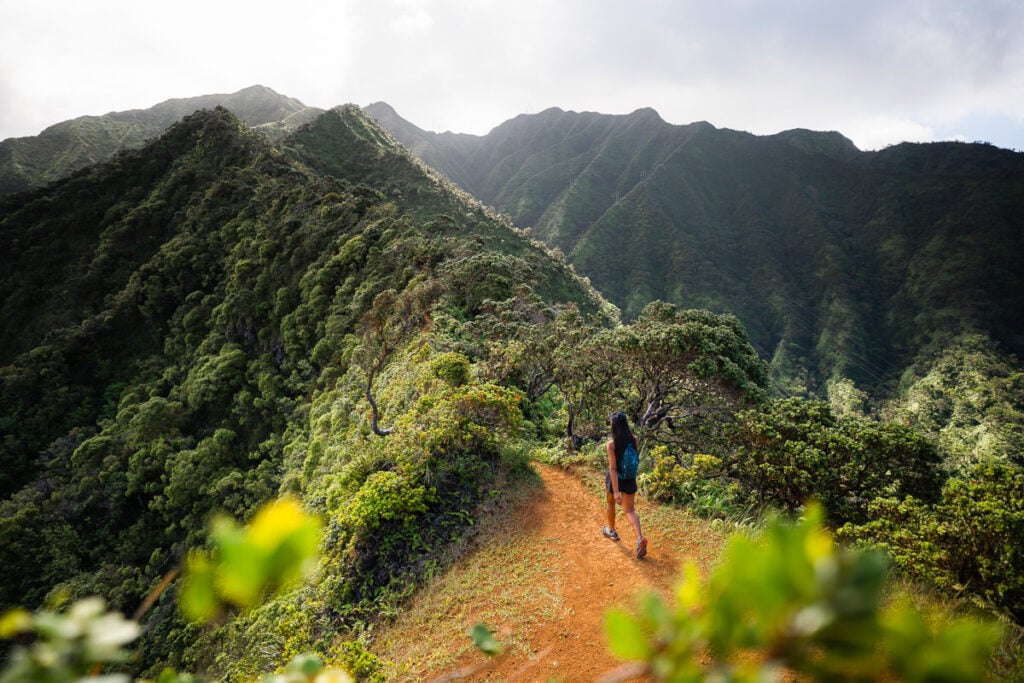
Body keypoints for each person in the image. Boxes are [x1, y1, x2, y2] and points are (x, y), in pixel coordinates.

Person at [602, 411, 647, 558]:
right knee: (630, 510)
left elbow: (613, 469)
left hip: (616, 478)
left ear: (613, 426)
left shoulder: (612, 444)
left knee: (610, 502)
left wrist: (616, 491)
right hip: (629, 478)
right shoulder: (634, 440)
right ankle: (639, 537)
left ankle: (612, 531)